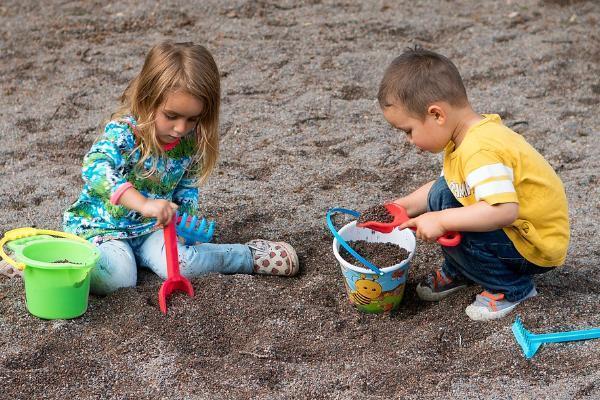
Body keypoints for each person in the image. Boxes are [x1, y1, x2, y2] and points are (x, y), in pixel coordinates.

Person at [64, 41, 298, 295]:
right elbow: (95, 167)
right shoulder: (124, 134)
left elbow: (186, 188)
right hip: (104, 228)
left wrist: (183, 225)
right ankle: (53, 262)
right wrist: (142, 203)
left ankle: (248, 256)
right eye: (171, 116)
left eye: (192, 119)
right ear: (147, 99)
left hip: (153, 228)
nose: (180, 128)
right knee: (117, 280)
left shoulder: (190, 141)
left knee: (183, 264)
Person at [376, 46, 569, 321]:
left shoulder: (480, 150)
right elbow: (445, 188)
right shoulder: (464, 137)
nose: (408, 140)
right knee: (444, 195)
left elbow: (503, 210)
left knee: (451, 216)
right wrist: (401, 206)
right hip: (517, 232)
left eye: (409, 131)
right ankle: (463, 270)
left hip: (533, 245)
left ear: (436, 115)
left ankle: (512, 288)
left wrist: (442, 220)